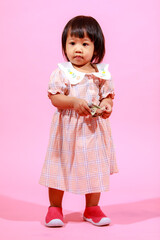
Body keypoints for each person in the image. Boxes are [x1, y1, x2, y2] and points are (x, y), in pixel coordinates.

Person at [39, 15, 118, 227]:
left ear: (96, 48)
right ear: (65, 46)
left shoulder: (101, 74)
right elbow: (55, 97)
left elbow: (107, 96)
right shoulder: (63, 72)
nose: (78, 49)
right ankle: (54, 208)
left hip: (93, 131)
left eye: (85, 44)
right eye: (72, 43)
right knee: (59, 166)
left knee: (95, 167)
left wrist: (107, 105)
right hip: (67, 130)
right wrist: (73, 102)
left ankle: (92, 208)